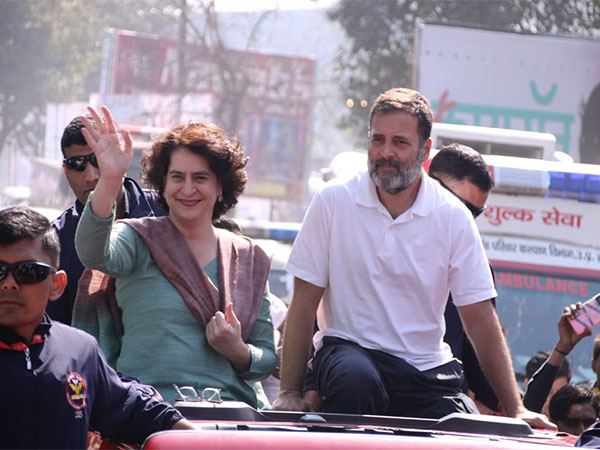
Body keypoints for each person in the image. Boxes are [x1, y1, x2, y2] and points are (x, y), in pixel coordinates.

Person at [273, 87, 553, 429]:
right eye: (378, 140)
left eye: (399, 142)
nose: (385, 152)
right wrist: (290, 390)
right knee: (354, 381)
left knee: (459, 428)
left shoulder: (452, 215)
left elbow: (479, 317)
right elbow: (302, 303)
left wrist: (516, 409)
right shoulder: (333, 201)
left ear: (425, 150)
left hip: (427, 370)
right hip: (349, 354)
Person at [73, 106, 276, 405]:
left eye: (201, 178)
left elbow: (266, 357)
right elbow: (92, 253)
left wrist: (238, 351)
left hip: (229, 418)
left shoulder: (248, 257)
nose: (188, 189)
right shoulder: (137, 238)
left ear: (221, 187)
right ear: (163, 185)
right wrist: (111, 179)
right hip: (147, 414)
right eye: (177, 177)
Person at [0, 206, 195, 448]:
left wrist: (196, 436)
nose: (9, 284)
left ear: (57, 285)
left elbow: (129, 408)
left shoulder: (80, 351)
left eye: (28, 272)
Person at [50, 114, 166, 325]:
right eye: (77, 164)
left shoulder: (166, 211)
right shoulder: (55, 240)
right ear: (66, 172)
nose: (91, 175)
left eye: (98, 159)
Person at [428, 143, 499, 413]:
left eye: (475, 213)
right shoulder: (383, 237)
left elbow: (478, 357)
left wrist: (509, 404)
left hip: (444, 411)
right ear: (430, 185)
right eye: (462, 207)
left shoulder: (477, 266)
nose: (466, 220)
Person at [523, 303, 590, 416]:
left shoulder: (577, 424)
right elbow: (532, 406)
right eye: (547, 392)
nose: (551, 401)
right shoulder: (514, 416)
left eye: (559, 393)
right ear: (527, 384)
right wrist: (561, 348)